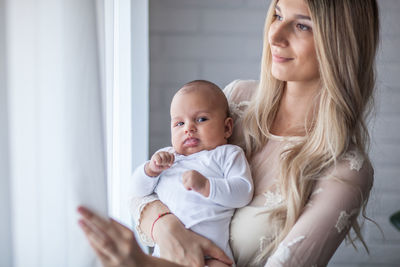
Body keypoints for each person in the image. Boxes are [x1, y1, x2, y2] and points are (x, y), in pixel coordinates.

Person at [77, 0, 380, 266]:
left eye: (302, 26)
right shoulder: (236, 100)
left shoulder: (346, 169)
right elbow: (143, 191)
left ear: (341, 45)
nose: (274, 35)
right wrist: (166, 228)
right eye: (277, 15)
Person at [130, 80, 253, 266]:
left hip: (212, 256)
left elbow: (243, 192)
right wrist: (150, 170)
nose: (188, 128)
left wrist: (207, 186)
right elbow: (137, 190)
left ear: (227, 128)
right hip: (167, 254)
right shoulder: (168, 157)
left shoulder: (227, 154)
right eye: (179, 123)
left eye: (201, 119)